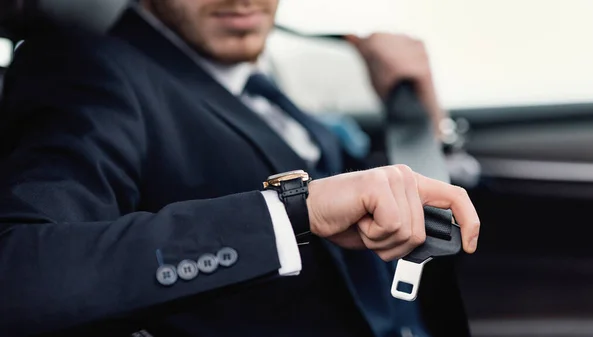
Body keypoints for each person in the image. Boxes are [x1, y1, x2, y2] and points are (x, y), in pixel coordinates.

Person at [0, 0, 480, 336]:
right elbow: (21, 276)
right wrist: (292, 213)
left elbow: (407, 212)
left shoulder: (269, 88)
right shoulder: (86, 70)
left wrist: (419, 114)